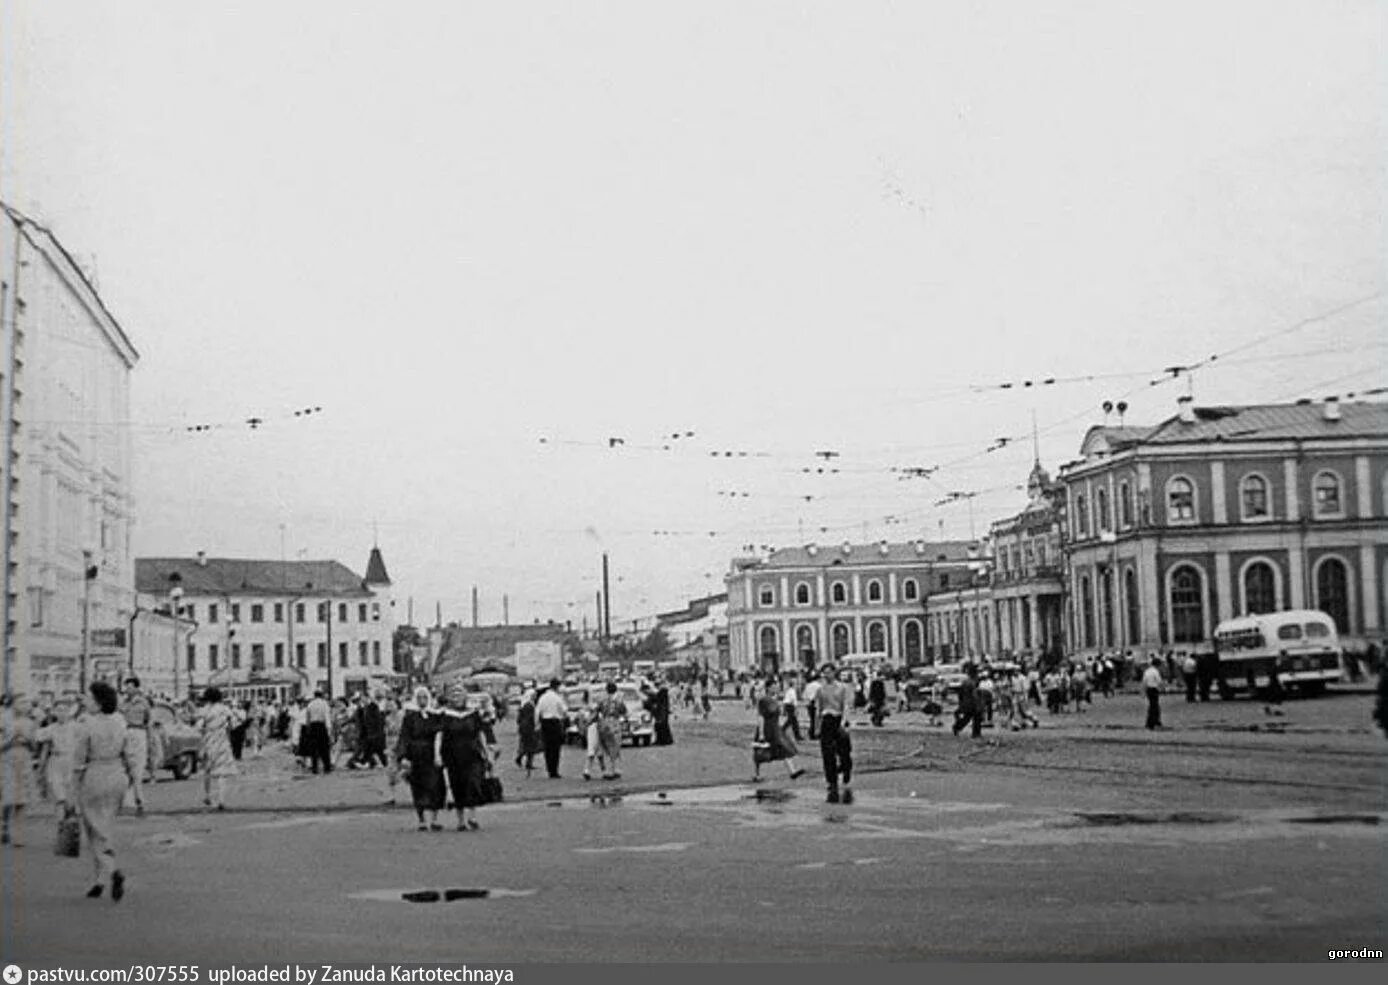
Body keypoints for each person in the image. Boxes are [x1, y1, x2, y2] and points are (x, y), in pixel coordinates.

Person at [72, 681, 137, 901]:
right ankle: (99, 881)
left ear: (98, 703)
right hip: (117, 774)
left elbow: (79, 760)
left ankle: (112, 871)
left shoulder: (86, 725)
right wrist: (132, 782)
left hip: (95, 775)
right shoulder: (120, 721)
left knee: (95, 829)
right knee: (105, 825)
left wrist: (73, 788)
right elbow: (130, 754)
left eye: (89, 699)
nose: (86, 702)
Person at [434, 686, 497, 831]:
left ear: (465, 696)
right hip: (453, 754)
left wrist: (489, 750)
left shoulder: (473, 714)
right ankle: (460, 820)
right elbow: (439, 735)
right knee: (457, 785)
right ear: (449, 697)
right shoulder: (444, 715)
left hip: (472, 753)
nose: (456, 697)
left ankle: (472, 816)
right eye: (454, 694)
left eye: (459, 694)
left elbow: (482, 732)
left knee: (473, 782)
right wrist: (437, 754)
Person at [396, 686, 444, 831]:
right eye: (419, 697)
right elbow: (404, 737)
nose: (422, 700)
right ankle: (421, 819)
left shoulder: (435, 716)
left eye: (425, 697)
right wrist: (403, 756)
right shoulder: (410, 717)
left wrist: (440, 755)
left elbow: (440, 736)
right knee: (418, 787)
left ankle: (435, 819)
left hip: (432, 755)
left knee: (436, 786)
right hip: (416, 755)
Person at [814, 664, 854, 805]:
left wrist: (844, 721)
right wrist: (816, 727)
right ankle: (831, 780)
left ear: (834, 673)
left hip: (839, 720)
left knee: (844, 750)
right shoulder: (820, 689)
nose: (826, 675)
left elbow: (846, 705)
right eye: (824, 673)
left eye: (828, 672)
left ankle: (846, 770)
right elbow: (818, 709)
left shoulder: (842, 688)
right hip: (827, 720)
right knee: (827, 752)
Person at [0, 693, 36, 845]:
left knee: (21, 798)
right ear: (13, 704)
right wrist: (11, 738)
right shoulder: (3, 720)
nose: (25, 706)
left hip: (24, 760)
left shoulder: (30, 723)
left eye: (27, 703)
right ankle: (4, 826)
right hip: (8, 760)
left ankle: (18, 834)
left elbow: (34, 747)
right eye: (21, 702)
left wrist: (28, 740)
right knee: (8, 798)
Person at [36, 698, 80, 818]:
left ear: (70, 711)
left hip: (72, 761)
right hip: (56, 761)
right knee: (58, 793)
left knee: (71, 793)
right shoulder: (51, 728)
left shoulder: (77, 727)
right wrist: (41, 767)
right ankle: (61, 821)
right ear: (54, 712)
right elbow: (44, 746)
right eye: (59, 710)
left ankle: (71, 822)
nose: (62, 713)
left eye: (65, 710)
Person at [753, 682, 804, 782]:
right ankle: (757, 774)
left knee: (783, 748)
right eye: (773, 687)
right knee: (760, 751)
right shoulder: (763, 700)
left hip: (775, 728)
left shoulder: (774, 700)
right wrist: (762, 733)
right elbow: (760, 716)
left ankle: (792, 771)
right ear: (768, 688)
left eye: (776, 687)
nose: (776, 689)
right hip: (766, 728)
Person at [197, 687, 238, 810]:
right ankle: (221, 799)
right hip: (222, 740)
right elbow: (233, 724)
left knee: (207, 770)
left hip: (208, 740)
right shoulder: (224, 709)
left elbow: (199, 726)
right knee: (222, 772)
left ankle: (207, 795)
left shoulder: (204, 710)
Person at [119, 677, 152, 815]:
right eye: (126, 687)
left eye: (130, 687)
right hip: (125, 733)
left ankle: (140, 802)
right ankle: (125, 801)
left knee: (137, 770)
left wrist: (150, 742)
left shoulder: (143, 702)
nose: (128, 690)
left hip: (139, 733)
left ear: (137, 688)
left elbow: (148, 721)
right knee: (124, 770)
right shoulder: (123, 703)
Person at [590, 682, 627, 781]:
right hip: (614, 724)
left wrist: (591, 721)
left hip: (604, 723)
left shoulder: (602, 700)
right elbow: (623, 711)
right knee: (615, 747)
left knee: (605, 747)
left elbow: (596, 711)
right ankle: (615, 769)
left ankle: (607, 770)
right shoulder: (619, 700)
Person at [535, 679, 567, 779]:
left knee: (547, 748)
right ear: (556, 687)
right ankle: (554, 771)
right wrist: (563, 717)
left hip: (545, 723)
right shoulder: (557, 698)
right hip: (555, 723)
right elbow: (564, 710)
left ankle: (549, 769)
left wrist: (537, 725)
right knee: (556, 748)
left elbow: (537, 712)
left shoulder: (543, 698)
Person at [355, 692, 389, 768]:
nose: (362, 700)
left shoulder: (373, 706)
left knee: (378, 749)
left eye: (363, 698)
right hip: (369, 732)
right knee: (369, 748)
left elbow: (378, 720)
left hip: (375, 732)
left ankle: (382, 763)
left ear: (367, 698)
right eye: (361, 698)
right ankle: (366, 762)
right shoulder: (364, 708)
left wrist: (377, 730)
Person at [303, 690, 333, 774]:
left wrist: (308, 728)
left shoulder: (310, 704)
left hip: (313, 726)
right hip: (321, 726)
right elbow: (327, 717)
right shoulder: (324, 704)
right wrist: (329, 729)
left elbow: (307, 718)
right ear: (322, 695)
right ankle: (326, 767)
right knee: (324, 748)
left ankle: (314, 767)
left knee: (313, 748)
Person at [514, 689, 541, 776]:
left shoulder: (526, 705)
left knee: (527, 745)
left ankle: (524, 760)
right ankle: (526, 762)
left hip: (524, 728)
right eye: (534, 695)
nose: (535, 696)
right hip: (528, 728)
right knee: (530, 745)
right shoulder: (529, 706)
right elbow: (530, 718)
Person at [953, 667, 984, 739]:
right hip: (971, 703)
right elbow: (974, 694)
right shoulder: (972, 683)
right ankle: (976, 733)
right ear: (974, 674)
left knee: (967, 718)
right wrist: (978, 703)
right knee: (976, 717)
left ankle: (957, 727)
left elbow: (960, 694)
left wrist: (961, 702)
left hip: (965, 703)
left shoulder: (965, 682)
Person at [1142, 657, 1164, 730]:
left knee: (1152, 705)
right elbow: (1159, 681)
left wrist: (1143, 692)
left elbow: (1144, 682)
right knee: (1155, 706)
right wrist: (1162, 688)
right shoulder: (1155, 671)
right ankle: (1153, 722)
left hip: (1149, 689)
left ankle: (1152, 721)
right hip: (1154, 689)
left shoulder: (1147, 671)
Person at [649, 682, 673, 746]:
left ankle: (661, 740)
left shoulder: (661, 695)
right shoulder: (664, 695)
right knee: (663, 727)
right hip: (663, 713)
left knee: (660, 727)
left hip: (661, 714)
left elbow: (658, 703)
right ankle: (665, 740)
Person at [802, 671, 822, 740]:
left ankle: (811, 733)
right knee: (817, 720)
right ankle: (815, 734)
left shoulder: (808, 685)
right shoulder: (819, 686)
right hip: (815, 703)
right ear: (818, 679)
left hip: (809, 704)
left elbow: (804, 695)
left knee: (812, 719)